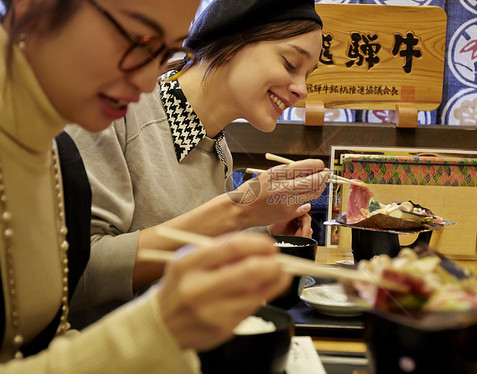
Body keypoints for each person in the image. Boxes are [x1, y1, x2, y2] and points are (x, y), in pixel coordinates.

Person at [0, 0, 294, 371]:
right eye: (136, 40)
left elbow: (49, 335)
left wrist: (259, 229)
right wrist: (159, 326)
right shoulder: (100, 124)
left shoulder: (54, 154)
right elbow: (86, 280)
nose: (146, 82)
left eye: (167, 52)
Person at [65, 0, 329, 319]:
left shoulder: (217, 148)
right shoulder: (118, 110)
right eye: (290, 64)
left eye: (307, 75)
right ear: (233, 41)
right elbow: (77, 276)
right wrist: (237, 210)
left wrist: (265, 229)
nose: (301, 89)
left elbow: (201, 264)